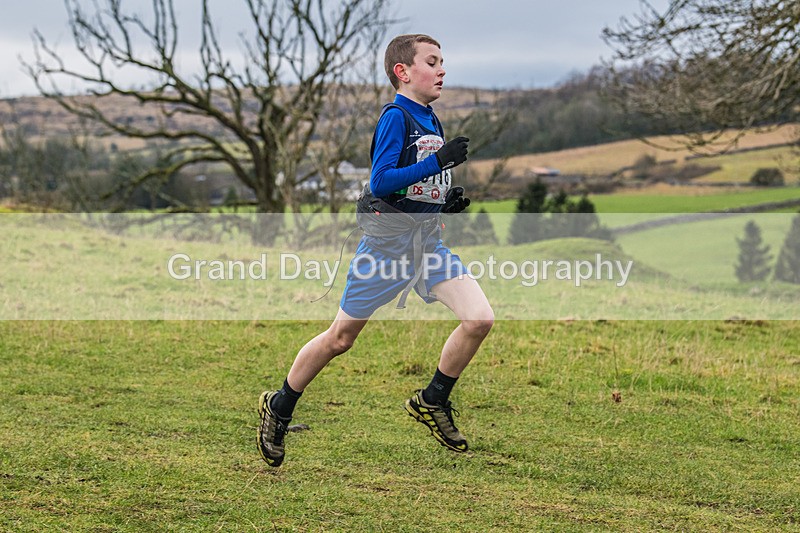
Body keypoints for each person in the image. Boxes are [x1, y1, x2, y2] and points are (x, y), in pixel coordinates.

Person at [258, 34, 494, 467]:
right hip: (385, 251)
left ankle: (432, 399)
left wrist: (444, 198)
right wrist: (439, 162)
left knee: (479, 319)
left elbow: (414, 186)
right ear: (403, 72)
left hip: (427, 246)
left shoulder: (430, 118)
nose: (442, 70)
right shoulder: (396, 116)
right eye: (432, 61)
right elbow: (382, 181)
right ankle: (280, 406)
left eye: (443, 62)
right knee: (340, 339)